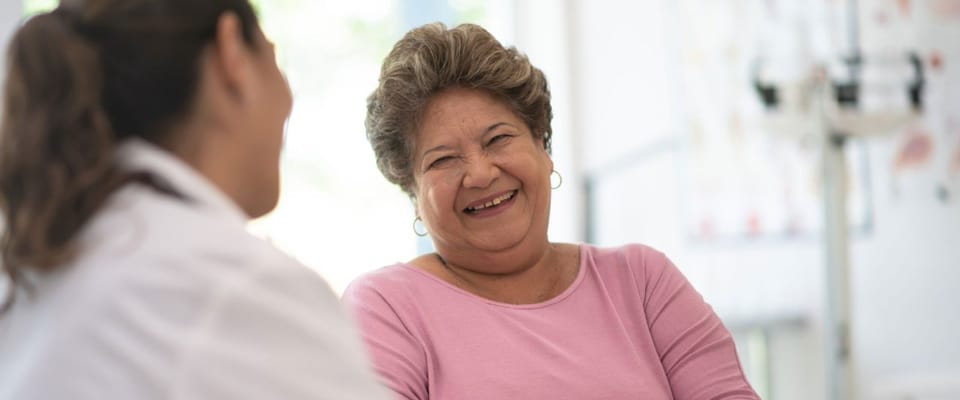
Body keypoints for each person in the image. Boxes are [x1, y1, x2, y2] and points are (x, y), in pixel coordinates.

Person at [343, 22, 760, 400]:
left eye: (498, 139)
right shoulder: (386, 307)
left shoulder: (642, 281)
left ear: (543, 149)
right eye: (443, 160)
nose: (481, 173)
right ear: (413, 192)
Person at [0, 1, 388, 399]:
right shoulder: (227, 283)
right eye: (274, 57)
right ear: (231, 51)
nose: (288, 98)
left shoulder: (44, 270)